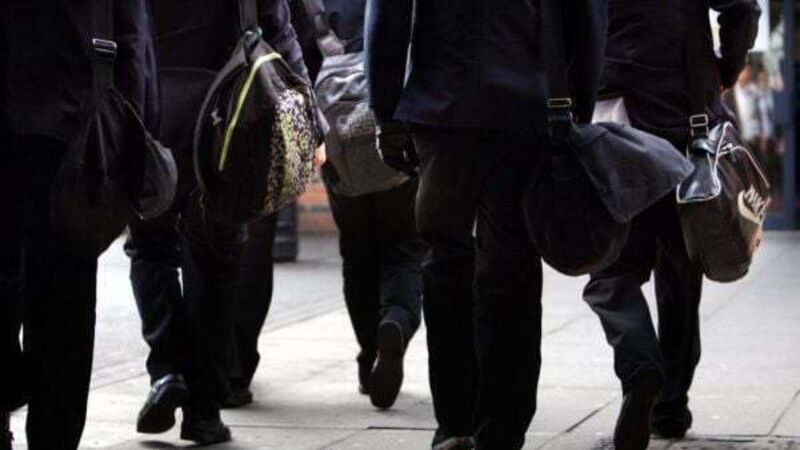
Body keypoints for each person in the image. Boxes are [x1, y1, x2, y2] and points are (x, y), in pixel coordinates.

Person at [365, 0, 606, 448]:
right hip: (527, 107)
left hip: (443, 105)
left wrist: (385, 112)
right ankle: (503, 427)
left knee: (445, 262)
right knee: (512, 268)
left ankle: (455, 422)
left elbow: (388, 15)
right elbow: (587, 18)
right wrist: (579, 107)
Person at [127, 0, 324, 444]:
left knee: (149, 246)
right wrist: (311, 121)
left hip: (151, 110)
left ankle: (166, 370)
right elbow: (279, 31)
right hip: (227, 116)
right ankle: (204, 410)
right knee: (216, 258)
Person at [583, 1, 760, 448]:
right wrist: (724, 68)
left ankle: (640, 365)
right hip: (684, 116)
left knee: (612, 270)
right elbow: (742, 7)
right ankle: (669, 405)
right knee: (681, 271)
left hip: (613, 120)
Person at [0, 1, 157, 449]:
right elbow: (132, 39)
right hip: (73, 134)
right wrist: (134, 136)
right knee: (64, 309)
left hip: (62, 136)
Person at [295, 0, 426, 409]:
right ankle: (396, 321)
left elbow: (298, 63)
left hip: (341, 144)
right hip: (397, 133)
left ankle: (370, 355)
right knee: (405, 247)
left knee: (357, 252)